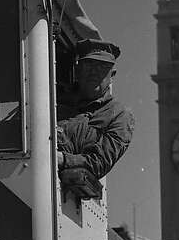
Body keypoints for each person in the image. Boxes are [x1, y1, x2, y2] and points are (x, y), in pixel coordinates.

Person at [56, 37, 135, 202]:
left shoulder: (119, 115)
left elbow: (99, 163)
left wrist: (62, 159)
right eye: (89, 66)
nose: (94, 72)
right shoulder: (51, 100)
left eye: (102, 67)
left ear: (112, 75)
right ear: (77, 71)